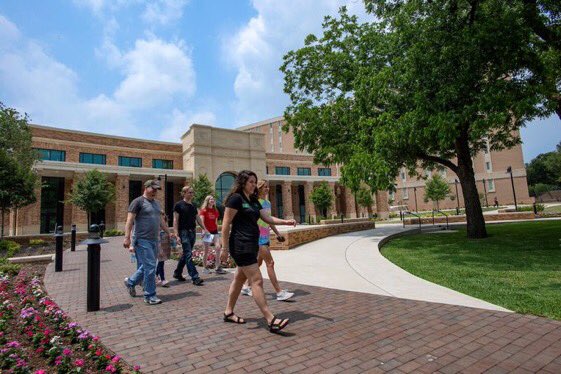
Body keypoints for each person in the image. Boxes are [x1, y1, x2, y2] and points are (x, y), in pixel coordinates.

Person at [220, 170, 296, 333]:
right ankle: (270, 319)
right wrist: (224, 248)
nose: (254, 185)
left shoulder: (254, 200)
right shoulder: (236, 199)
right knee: (256, 280)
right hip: (240, 245)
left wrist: (286, 222)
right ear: (242, 183)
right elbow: (226, 224)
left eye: (255, 182)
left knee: (239, 279)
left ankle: (228, 312)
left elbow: (267, 218)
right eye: (251, 182)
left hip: (252, 243)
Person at [241, 180, 294, 301]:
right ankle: (279, 292)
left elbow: (269, 220)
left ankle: (245, 286)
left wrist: (277, 233)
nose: (267, 189)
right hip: (258, 237)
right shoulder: (255, 203)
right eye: (265, 187)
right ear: (259, 188)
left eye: (268, 187)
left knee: (258, 263)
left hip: (266, 236)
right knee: (270, 263)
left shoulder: (267, 203)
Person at [123, 179, 175, 305]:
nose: (155, 192)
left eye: (157, 189)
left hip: (154, 240)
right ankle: (150, 295)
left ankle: (130, 282)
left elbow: (161, 221)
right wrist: (127, 237)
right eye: (153, 189)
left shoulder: (157, 203)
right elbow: (130, 220)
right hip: (142, 240)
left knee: (147, 266)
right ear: (146, 188)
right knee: (151, 267)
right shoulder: (137, 202)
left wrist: (169, 233)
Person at [173, 185, 208, 286]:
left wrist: (204, 228)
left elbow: (198, 218)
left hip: (192, 232)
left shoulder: (193, 205)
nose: (192, 194)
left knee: (186, 254)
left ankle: (177, 273)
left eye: (192, 192)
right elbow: (175, 220)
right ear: (184, 193)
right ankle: (195, 277)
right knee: (188, 254)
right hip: (183, 232)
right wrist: (176, 234)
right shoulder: (178, 205)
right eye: (189, 192)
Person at [199, 195, 226, 274]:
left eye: (213, 199)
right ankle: (205, 268)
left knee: (218, 247)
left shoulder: (215, 211)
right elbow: (201, 222)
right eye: (211, 199)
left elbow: (215, 222)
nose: (212, 200)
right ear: (207, 200)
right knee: (206, 250)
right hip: (207, 232)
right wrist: (204, 230)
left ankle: (218, 267)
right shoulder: (204, 210)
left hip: (214, 231)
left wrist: (217, 229)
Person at [156, 212, 172, 287]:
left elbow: (168, 234)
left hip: (165, 246)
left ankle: (156, 276)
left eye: (163, 214)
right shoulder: (157, 224)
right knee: (161, 262)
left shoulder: (164, 223)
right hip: (159, 246)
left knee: (161, 262)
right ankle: (162, 279)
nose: (162, 215)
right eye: (161, 214)